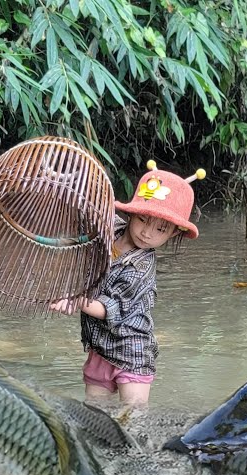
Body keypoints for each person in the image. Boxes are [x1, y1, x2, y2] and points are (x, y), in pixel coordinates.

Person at [49, 161, 205, 406]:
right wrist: (63, 183)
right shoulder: (111, 230)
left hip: (132, 351)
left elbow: (107, 309)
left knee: (133, 422)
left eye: (161, 229)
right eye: (142, 220)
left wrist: (75, 300)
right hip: (100, 346)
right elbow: (90, 208)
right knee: (93, 414)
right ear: (131, 213)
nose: (147, 233)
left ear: (174, 233)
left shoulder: (141, 267)